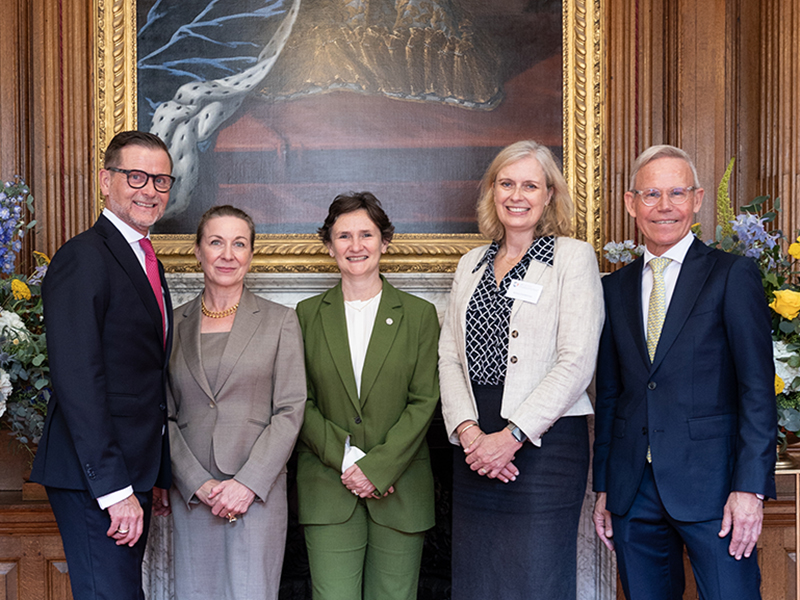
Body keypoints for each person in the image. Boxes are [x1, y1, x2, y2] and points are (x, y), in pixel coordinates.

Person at [592, 145, 777, 599]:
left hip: (716, 491)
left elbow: (757, 391)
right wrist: (605, 487)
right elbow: (612, 396)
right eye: (651, 194)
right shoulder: (613, 288)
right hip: (634, 492)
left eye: (676, 193)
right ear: (630, 203)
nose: (664, 206)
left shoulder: (732, 275)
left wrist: (750, 489)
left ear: (696, 200)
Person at [438, 140, 604, 599]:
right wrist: (471, 435)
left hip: (544, 445)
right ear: (492, 191)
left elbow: (576, 361)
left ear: (549, 194)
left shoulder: (572, 258)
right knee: (479, 577)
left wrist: (511, 438)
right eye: (507, 183)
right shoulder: (471, 263)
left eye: (530, 185)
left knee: (536, 577)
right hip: (474, 445)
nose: (517, 195)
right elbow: (449, 356)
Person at [30, 130, 175, 599]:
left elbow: (145, 377)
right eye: (136, 176)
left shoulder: (142, 257)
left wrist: (155, 475)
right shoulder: (83, 257)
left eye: (161, 180)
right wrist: (114, 491)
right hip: (97, 477)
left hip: (132, 472)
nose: (149, 190)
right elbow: (79, 380)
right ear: (104, 181)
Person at [295, 192, 440, 600]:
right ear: (328, 246)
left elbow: (424, 402)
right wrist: (349, 461)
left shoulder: (419, 315)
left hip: (401, 490)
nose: (355, 246)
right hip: (327, 487)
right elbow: (298, 401)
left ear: (385, 242)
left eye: (366, 234)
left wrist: (377, 468)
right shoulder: (306, 315)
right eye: (343, 236)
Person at [166, 205, 306, 600]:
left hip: (256, 495)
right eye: (216, 242)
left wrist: (246, 484)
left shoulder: (281, 321)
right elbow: (165, 415)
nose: (227, 254)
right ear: (197, 251)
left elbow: (290, 410)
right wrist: (197, 483)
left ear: (250, 253)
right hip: (194, 496)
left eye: (239, 243)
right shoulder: (172, 324)